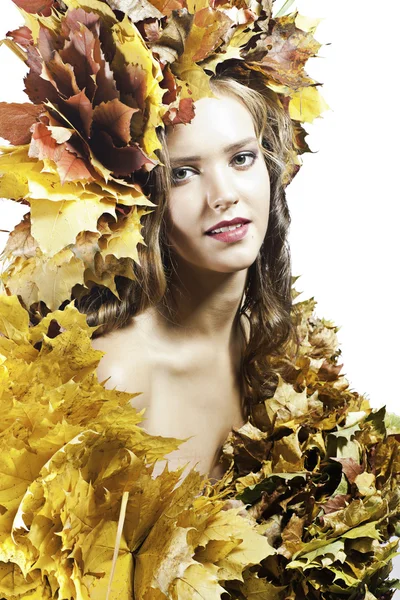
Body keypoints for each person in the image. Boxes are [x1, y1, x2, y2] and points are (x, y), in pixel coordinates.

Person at [87, 72, 298, 481]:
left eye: (241, 158)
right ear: (142, 201)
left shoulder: (270, 344)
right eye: (182, 173)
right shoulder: (119, 377)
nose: (223, 195)